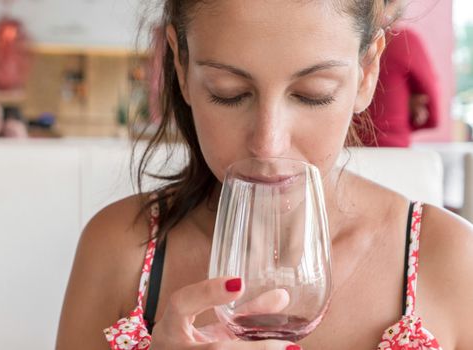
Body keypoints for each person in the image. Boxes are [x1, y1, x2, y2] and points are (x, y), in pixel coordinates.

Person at [56, 1, 473, 349]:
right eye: (228, 92)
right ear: (181, 67)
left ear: (366, 73)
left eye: (313, 94)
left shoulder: (453, 259)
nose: (268, 144)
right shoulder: (118, 250)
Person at [359, 0, 440, 147]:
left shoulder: (341, 42)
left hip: (343, 154)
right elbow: (433, 116)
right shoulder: (405, 41)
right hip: (392, 152)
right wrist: (399, 113)